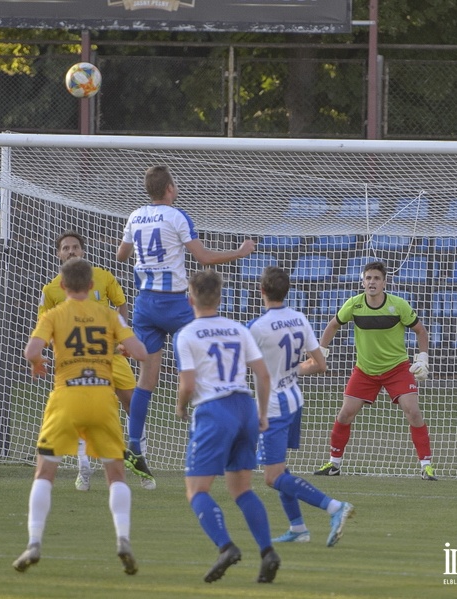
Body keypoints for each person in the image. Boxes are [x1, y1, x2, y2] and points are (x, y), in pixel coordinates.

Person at [116, 165, 255, 486]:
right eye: (174, 183)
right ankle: (208, 444)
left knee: (146, 379)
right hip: (177, 304)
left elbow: (121, 255)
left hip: (145, 304)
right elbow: (203, 259)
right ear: (168, 189)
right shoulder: (177, 216)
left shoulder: (135, 216)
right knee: (199, 373)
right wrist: (240, 251)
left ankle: (135, 445)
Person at [13, 257, 148, 575]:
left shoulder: (54, 314)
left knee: (45, 473)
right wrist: (124, 348)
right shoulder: (109, 314)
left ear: (62, 286)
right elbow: (140, 352)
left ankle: (34, 542)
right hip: (102, 396)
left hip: (67, 398)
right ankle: (123, 539)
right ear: (91, 286)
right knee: (116, 476)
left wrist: (38, 363)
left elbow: (31, 351)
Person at [174, 269, 280, 584]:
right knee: (242, 488)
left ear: (189, 297)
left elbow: (188, 383)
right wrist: (261, 414)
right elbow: (262, 374)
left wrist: (180, 406)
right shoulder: (238, 329)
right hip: (245, 406)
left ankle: (226, 547)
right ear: (221, 298)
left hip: (214, 410)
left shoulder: (187, 334)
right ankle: (268, 552)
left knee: (197, 490)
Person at [246, 266, 354, 547]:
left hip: (272, 407)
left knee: (272, 477)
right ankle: (298, 528)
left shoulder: (257, 328)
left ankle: (333, 506)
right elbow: (320, 365)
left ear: (262, 292)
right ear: (287, 291)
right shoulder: (299, 318)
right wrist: (290, 371)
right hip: (294, 400)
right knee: (280, 470)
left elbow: (242, 367)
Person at [39, 230, 151, 491]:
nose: (71, 251)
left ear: (83, 251)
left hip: (111, 356)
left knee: (133, 405)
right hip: (76, 363)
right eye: (65, 248)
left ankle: (141, 462)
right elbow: (45, 328)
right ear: (58, 254)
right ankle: (84, 469)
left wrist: (122, 336)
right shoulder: (51, 289)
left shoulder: (103, 277)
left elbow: (121, 304)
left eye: (75, 247)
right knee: (80, 411)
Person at [314, 260, 436, 480]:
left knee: (413, 412)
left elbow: (421, 331)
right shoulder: (354, 304)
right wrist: (321, 352)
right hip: (365, 370)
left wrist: (423, 359)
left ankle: (426, 466)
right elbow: (333, 325)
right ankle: (334, 464)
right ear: (362, 282)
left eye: (376, 278)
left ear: (384, 283)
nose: (372, 282)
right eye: (368, 278)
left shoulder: (399, 305)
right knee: (345, 414)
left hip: (397, 368)